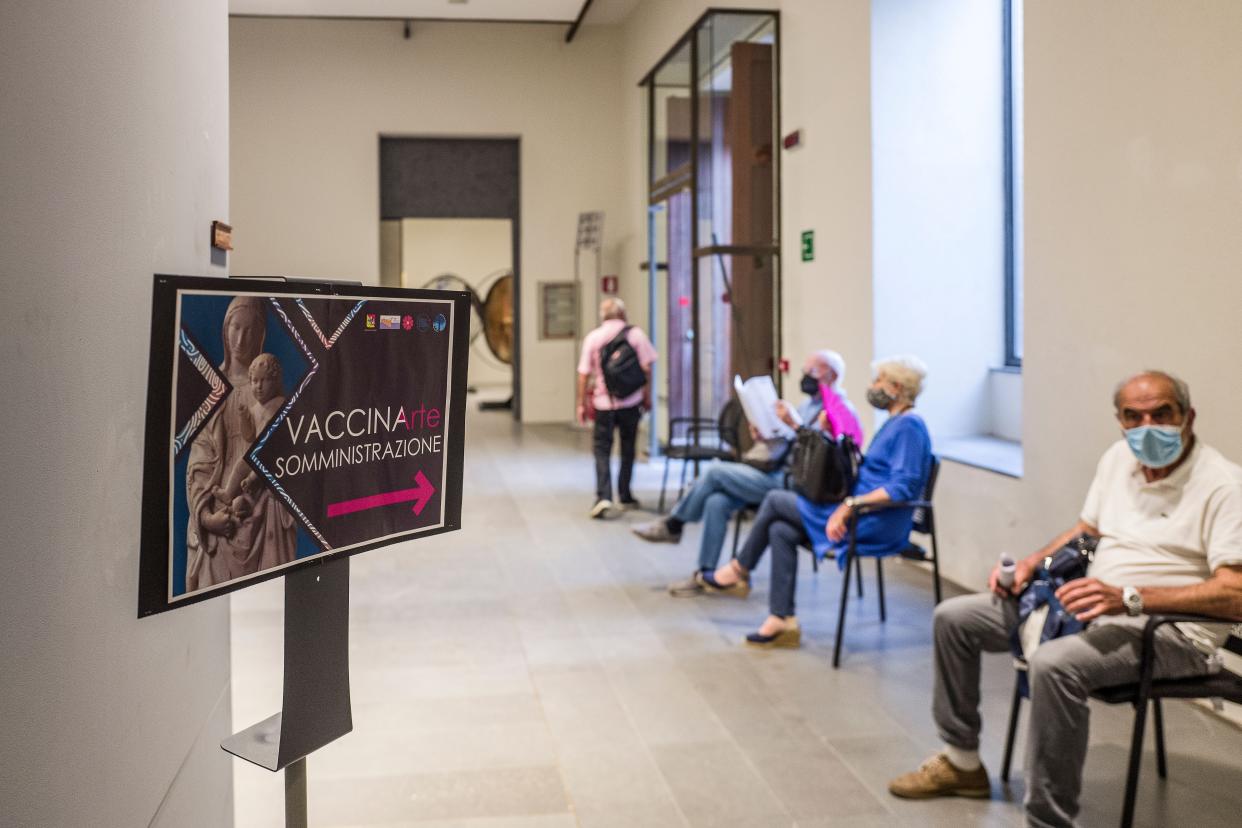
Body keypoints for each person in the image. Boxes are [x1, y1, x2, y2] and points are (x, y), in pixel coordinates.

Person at [887, 371, 1242, 828]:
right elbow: (1087, 532)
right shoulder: (1118, 459)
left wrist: (1131, 598)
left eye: (1162, 414)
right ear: (1119, 422)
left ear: (1188, 417)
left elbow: (1235, 595)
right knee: (955, 618)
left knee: (1055, 665)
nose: (1147, 426)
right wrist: (1037, 561)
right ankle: (962, 761)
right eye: (1134, 417)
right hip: (1095, 604)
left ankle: (1049, 820)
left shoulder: (1224, 485)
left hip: (1171, 631)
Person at [701, 355, 932, 649]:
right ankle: (782, 619)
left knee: (774, 500)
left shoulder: (910, 427)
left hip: (874, 521)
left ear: (897, 387)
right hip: (859, 512)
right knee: (780, 531)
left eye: (878, 381)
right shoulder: (894, 423)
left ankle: (738, 570)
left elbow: (903, 487)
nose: (873, 387)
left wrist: (849, 507)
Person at [633, 351, 864, 598]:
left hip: (795, 483)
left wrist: (796, 426)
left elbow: (824, 457)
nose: (805, 377)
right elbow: (790, 442)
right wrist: (767, 433)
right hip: (777, 470)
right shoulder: (807, 405)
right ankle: (707, 573)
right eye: (804, 371)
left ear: (832, 375)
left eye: (812, 372)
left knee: (714, 472)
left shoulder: (840, 410)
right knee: (716, 501)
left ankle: (674, 524)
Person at [186, 298, 297, 591]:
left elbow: (285, 452)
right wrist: (207, 518)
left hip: (264, 515)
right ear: (225, 330)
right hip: (219, 515)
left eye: (250, 330)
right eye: (235, 327)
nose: (241, 338)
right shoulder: (213, 389)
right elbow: (199, 459)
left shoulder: (271, 397)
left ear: (260, 335)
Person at [576, 298, 657, 518]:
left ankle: (604, 496)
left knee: (602, 449)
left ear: (603, 316)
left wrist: (581, 403)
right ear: (623, 314)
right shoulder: (636, 335)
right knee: (628, 447)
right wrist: (646, 396)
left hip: (604, 403)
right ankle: (625, 494)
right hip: (631, 401)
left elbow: (584, 373)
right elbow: (647, 368)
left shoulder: (594, 337)